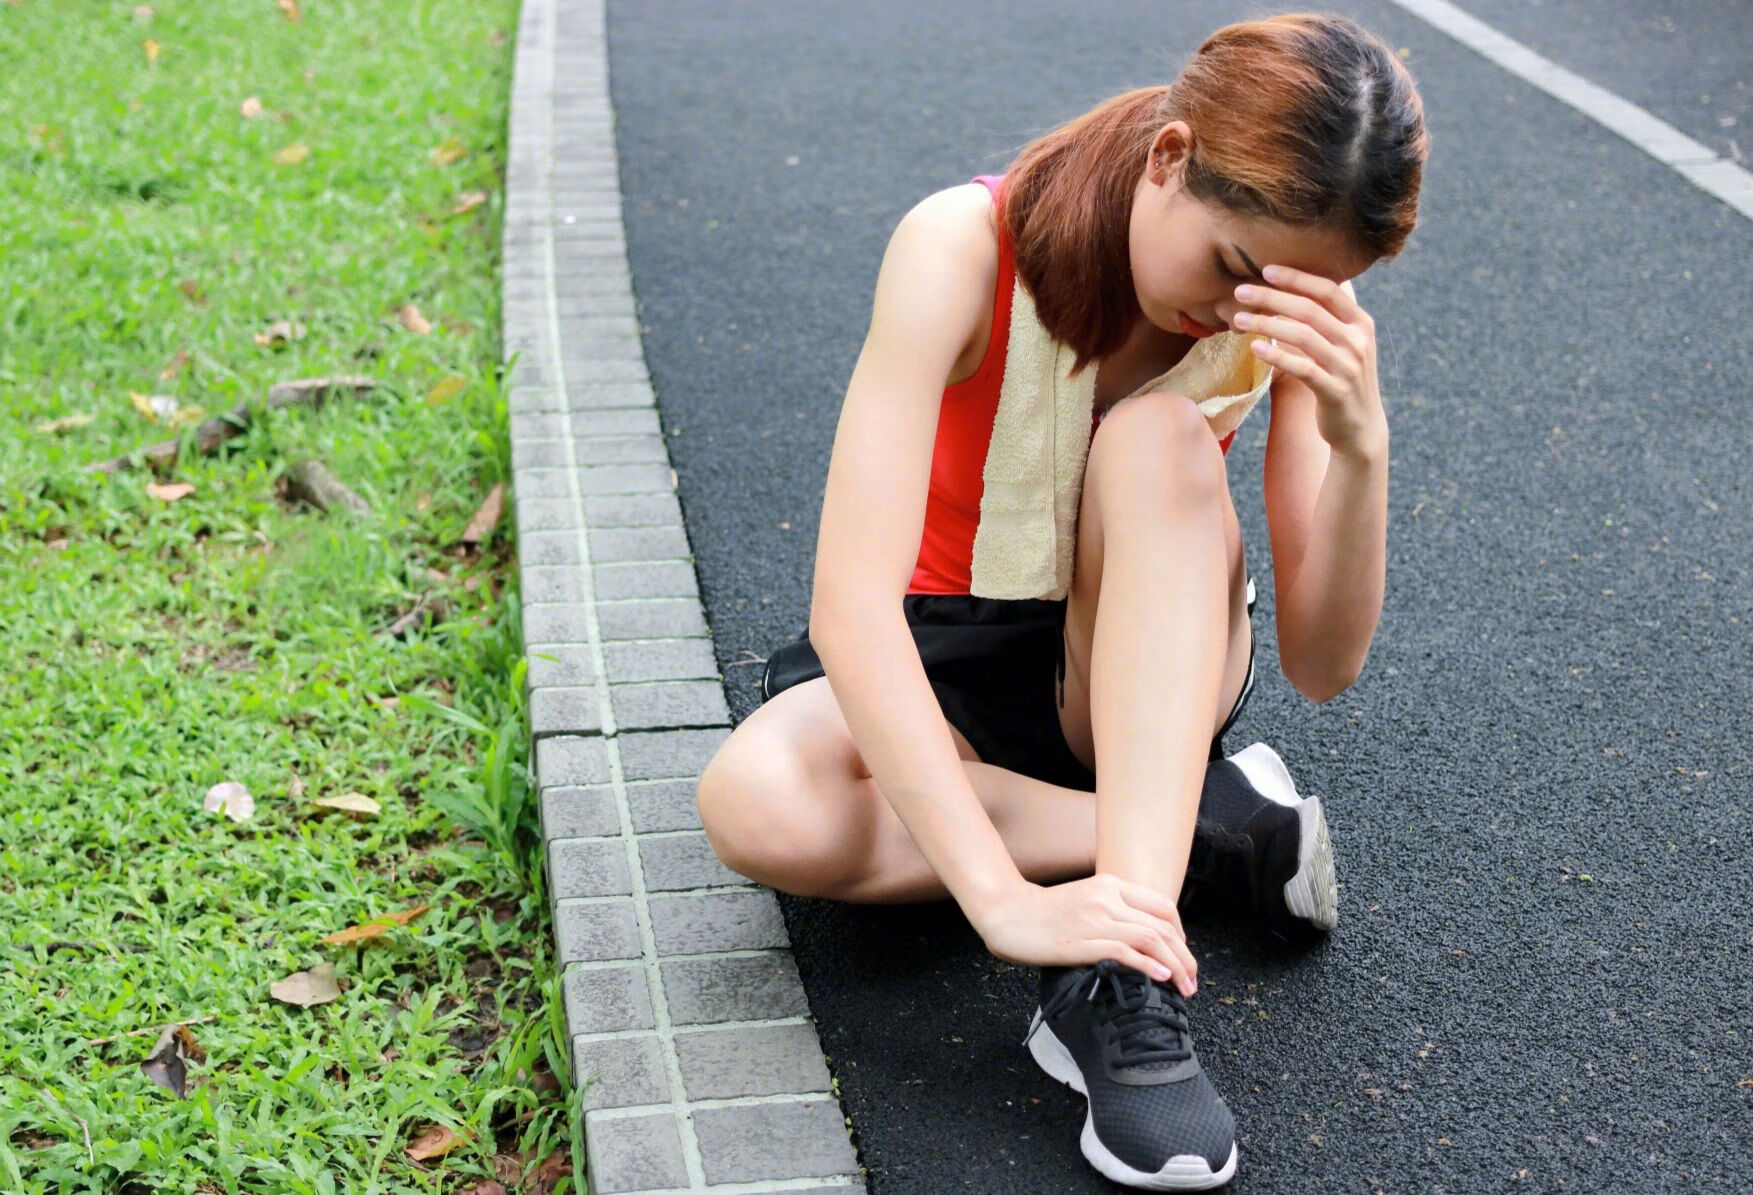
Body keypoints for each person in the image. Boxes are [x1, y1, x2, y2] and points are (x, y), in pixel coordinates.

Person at [697, 11, 1426, 1190]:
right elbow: (849, 609)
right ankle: (1192, 828)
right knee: (757, 804)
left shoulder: (1282, 318)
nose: (1243, 314)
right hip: (956, 643)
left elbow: (1323, 662)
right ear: (1169, 156)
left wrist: (1363, 442)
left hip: (1135, 652)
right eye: (1234, 269)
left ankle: (1120, 985)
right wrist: (999, 902)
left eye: (1292, 294)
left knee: (1156, 442)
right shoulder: (959, 246)